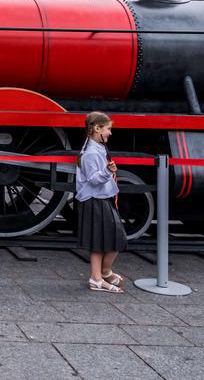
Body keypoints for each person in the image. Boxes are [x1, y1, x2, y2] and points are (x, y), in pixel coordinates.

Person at [76, 111, 127, 293]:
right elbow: (93, 179)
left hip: (99, 198)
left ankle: (99, 277)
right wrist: (107, 171)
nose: (110, 133)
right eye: (108, 129)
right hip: (94, 199)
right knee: (115, 238)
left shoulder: (97, 147)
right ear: (97, 128)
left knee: (99, 240)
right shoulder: (91, 153)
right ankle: (102, 274)